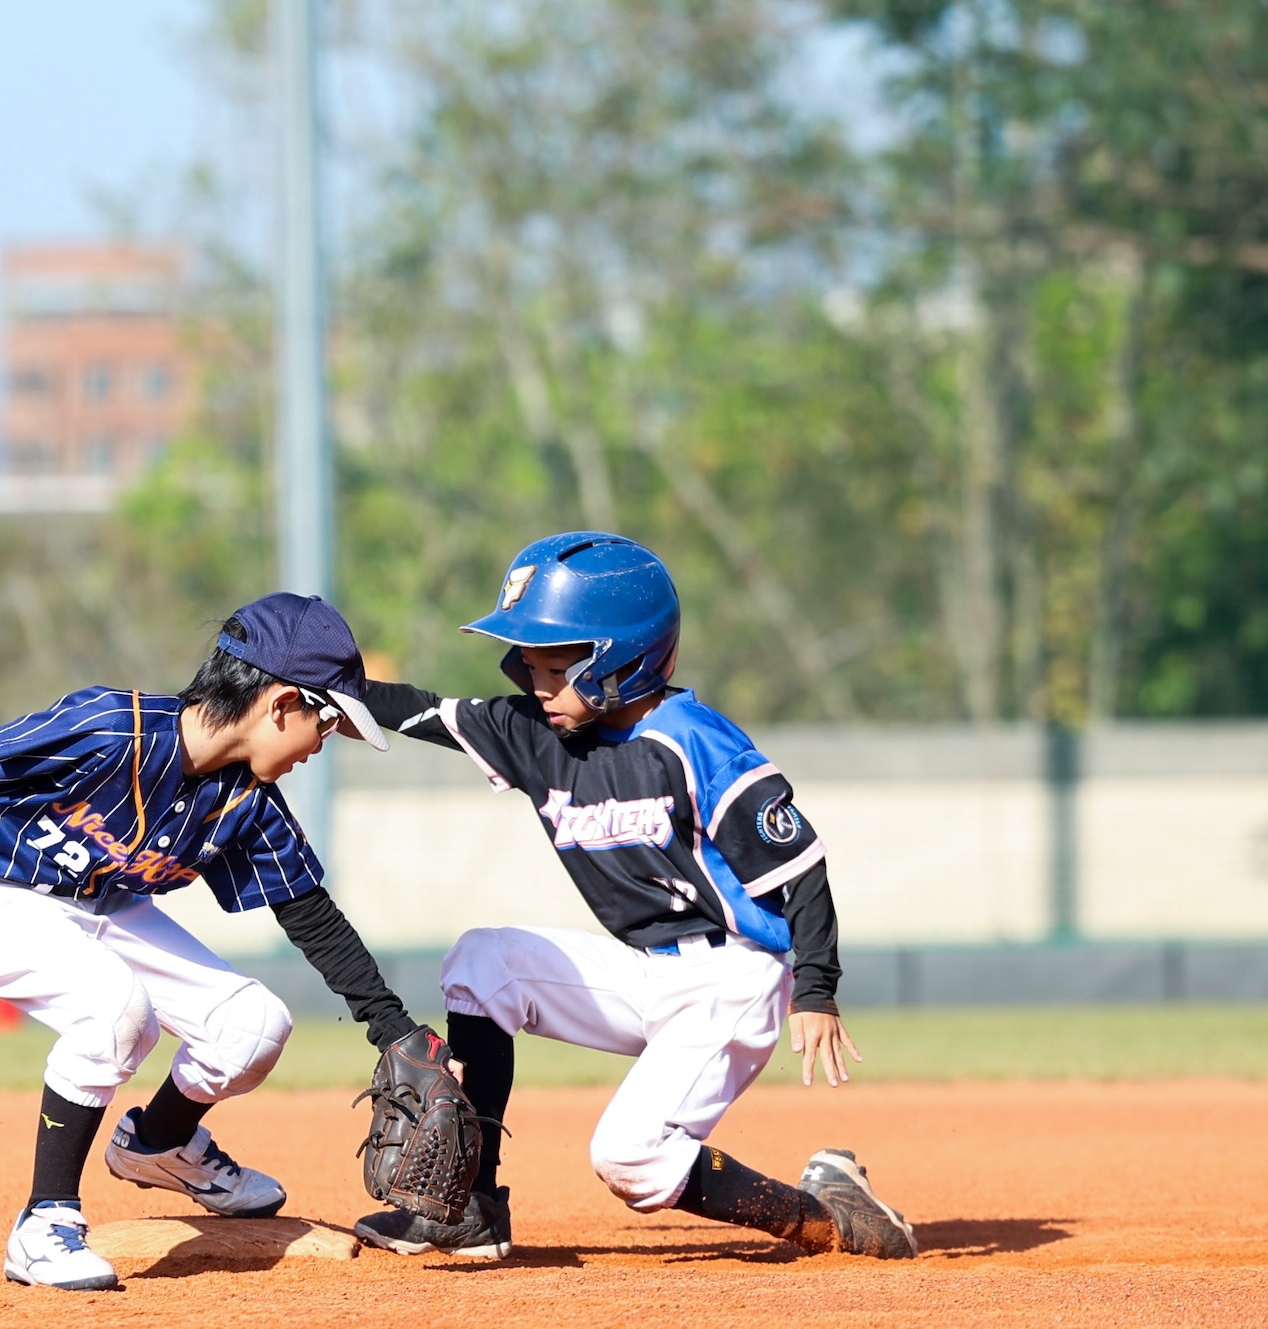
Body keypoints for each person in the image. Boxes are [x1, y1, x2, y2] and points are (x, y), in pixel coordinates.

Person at [0, 593, 437, 1292]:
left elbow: (310, 917)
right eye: (326, 721)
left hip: (103, 905)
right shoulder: (111, 727)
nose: (323, 741)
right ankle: (41, 1223)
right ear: (278, 705)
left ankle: (159, 1145)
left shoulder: (247, 802)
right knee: (116, 1013)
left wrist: (393, 1030)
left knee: (252, 1026)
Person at [353, 532, 919, 1261]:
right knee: (483, 961)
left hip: (732, 978)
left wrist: (815, 989)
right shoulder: (535, 731)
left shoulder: (695, 742)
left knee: (630, 1158)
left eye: (557, 667)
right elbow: (420, 711)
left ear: (625, 656)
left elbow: (800, 868)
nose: (538, 685)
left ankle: (833, 1217)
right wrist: (320, 683)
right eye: (528, 665)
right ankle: (470, 1212)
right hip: (648, 971)